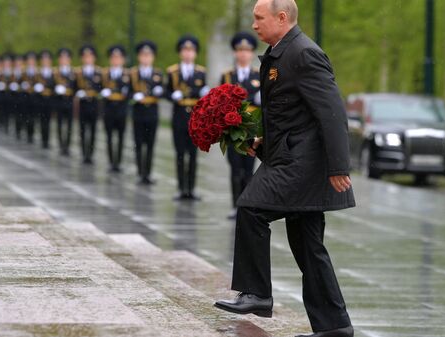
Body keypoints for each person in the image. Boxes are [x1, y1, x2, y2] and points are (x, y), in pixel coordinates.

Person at [214, 1, 355, 337]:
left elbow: (332, 112)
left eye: (259, 18)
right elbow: (292, 117)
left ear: (282, 18)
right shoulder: (281, 52)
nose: (254, 24)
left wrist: (338, 167)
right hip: (290, 158)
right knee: (309, 246)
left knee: (250, 207)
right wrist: (261, 144)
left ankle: (257, 294)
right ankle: (335, 327)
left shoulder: (303, 54)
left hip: (303, 165)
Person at [221, 32, 261, 219]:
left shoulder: (258, 75)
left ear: (252, 53)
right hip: (232, 127)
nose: (244, 54)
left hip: (251, 127)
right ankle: (235, 205)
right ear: (235, 53)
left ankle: (247, 204)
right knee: (235, 168)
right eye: (240, 50)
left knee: (249, 167)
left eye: (247, 51)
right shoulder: (228, 75)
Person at [166, 35, 210, 200]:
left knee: (192, 155)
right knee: (179, 153)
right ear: (180, 53)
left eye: (191, 50)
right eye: (185, 50)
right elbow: (166, 91)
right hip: (178, 116)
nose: (188, 53)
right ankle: (180, 188)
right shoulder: (173, 72)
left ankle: (191, 188)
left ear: (195, 53)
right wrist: (172, 95)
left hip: (195, 118)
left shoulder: (201, 72)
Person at [130, 40, 164, 185]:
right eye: (143, 55)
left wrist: (159, 91)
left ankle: (148, 173)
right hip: (138, 112)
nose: (146, 58)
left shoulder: (157, 73)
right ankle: (140, 172)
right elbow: (127, 91)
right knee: (138, 143)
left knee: (150, 144)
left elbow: (164, 90)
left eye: (148, 55)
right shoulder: (133, 73)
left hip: (152, 111)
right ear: (139, 57)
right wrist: (133, 95)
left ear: (153, 57)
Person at [101, 45, 130, 173]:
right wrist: (103, 91)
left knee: (121, 137)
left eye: (118, 58)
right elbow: (98, 87)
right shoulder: (105, 74)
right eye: (114, 58)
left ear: (123, 60)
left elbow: (132, 90)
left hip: (121, 109)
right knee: (109, 136)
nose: (116, 60)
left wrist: (126, 92)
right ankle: (111, 162)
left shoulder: (128, 74)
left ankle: (118, 162)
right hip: (109, 108)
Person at [75, 44, 103, 164]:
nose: (88, 59)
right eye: (85, 57)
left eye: (90, 57)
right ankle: (83, 154)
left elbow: (102, 87)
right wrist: (78, 93)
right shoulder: (78, 72)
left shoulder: (99, 72)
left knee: (92, 130)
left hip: (93, 103)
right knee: (82, 130)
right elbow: (73, 87)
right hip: (83, 103)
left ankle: (90, 154)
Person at [53, 48, 77, 156]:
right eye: (62, 58)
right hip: (59, 101)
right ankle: (61, 145)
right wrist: (56, 89)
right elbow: (50, 85)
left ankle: (67, 145)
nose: (64, 60)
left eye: (66, 58)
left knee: (69, 125)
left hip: (69, 101)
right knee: (59, 124)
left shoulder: (74, 72)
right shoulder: (55, 72)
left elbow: (76, 87)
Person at [34, 49, 56, 149]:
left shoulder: (54, 73)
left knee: (48, 121)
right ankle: (43, 139)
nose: (45, 62)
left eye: (47, 60)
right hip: (40, 100)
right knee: (42, 121)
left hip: (50, 100)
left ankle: (47, 140)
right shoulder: (38, 73)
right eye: (44, 60)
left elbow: (55, 86)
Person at [21, 51, 38, 144]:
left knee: (34, 117)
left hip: (35, 98)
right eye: (29, 60)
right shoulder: (24, 72)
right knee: (26, 117)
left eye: (33, 60)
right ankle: (28, 134)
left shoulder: (38, 72)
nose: (31, 62)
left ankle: (32, 134)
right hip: (26, 97)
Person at [10, 54, 25, 140]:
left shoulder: (24, 72)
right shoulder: (13, 73)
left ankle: (22, 130)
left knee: (23, 115)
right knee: (16, 115)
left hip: (23, 96)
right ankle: (17, 130)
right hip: (15, 96)